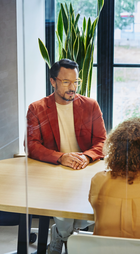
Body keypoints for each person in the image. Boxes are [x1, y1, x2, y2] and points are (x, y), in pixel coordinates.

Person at [26, 59, 107, 254]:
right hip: (55, 171)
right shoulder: (36, 109)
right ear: (53, 81)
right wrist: (61, 157)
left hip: (85, 170)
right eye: (66, 82)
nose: (73, 88)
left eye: (75, 82)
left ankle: (61, 235)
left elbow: (102, 140)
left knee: (96, 205)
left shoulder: (90, 106)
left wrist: (86, 158)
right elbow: (31, 145)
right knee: (62, 201)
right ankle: (70, 241)